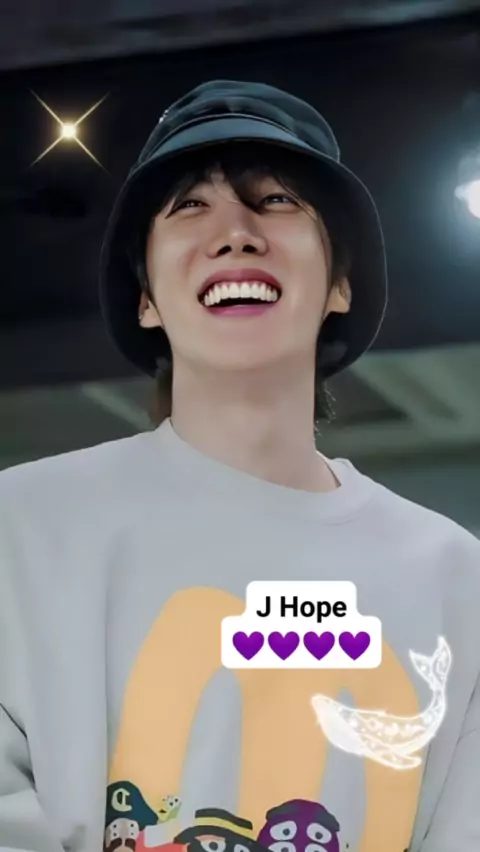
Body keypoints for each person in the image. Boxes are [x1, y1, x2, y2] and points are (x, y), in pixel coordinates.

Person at [0, 80, 479, 852]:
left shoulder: (454, 576)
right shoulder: (21, 529)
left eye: (277, 201)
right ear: (146, 297)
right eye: (190, 205)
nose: (235, 233)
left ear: (341, 284)